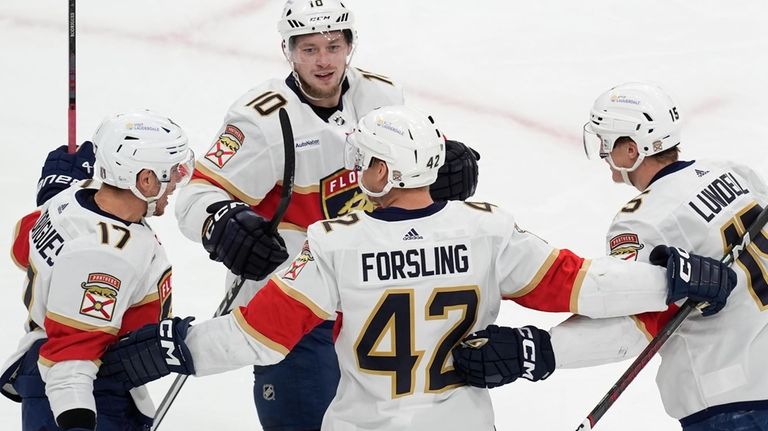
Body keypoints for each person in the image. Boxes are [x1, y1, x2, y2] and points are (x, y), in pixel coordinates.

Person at [99, 105, 734, 431]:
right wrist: (675, 278)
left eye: (365, 160)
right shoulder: (486, 229)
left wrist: (173, 345)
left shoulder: (332, 244)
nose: (357, 170)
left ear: (385, 171)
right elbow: (587, 287)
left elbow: (255, 337)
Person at [173, 1, 479, 429]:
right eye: (308, 48)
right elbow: (195, 194)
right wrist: (223, 225)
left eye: (334, 46)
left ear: (351, 45)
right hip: (295, 303)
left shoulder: (381, 94)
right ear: (288, 50)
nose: (323, 60)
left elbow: (423, 156)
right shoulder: (260, 118)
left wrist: (448, 162)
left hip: (372, 298)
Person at [453, 82, 768, 430]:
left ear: (632, 149)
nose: (603, 153)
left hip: (731, 394)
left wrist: (538, 349)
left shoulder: (644, 219)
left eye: (606, 142)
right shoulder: (731, 171)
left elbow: (636, 323)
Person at [0, 110, 195, 431]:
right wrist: (77, 420)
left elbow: (23, 248)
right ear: (145, 180)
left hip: (55, 372)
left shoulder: (77, 196)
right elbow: (70, 362)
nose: (178, 180)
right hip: (86, 394)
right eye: (173, 171)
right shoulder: (107, 256)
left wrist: (50, 200)